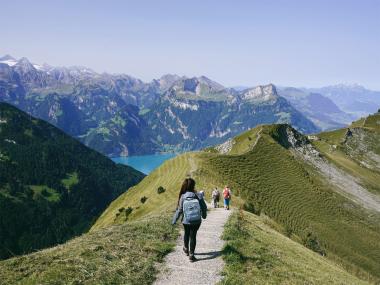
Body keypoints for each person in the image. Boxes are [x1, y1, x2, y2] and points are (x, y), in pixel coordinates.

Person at [172, 178, 207, 262]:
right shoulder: (198, 195)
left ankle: (186, 248)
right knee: (193, 236)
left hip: (186, 220)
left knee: (186, 233)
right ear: (193, 186)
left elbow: (180, 210)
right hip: (196, 220)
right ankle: (191, 255)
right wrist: (204, 216)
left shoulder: (183, 196)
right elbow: (204, 207)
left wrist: (174, 220)